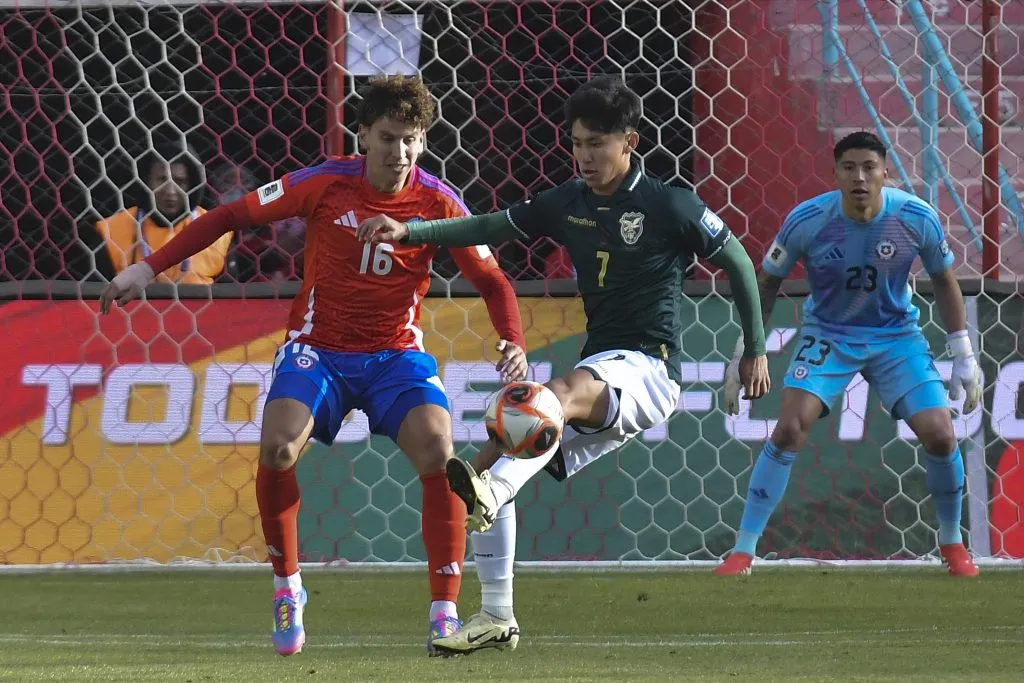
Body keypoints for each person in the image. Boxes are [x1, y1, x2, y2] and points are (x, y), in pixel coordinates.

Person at [98, 75, 529, 656]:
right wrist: (147, 269)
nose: (398, 153)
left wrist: (513, 341)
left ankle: (444, 612)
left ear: (423, 142)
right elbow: (229, 217)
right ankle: (288, 587)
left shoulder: (437, 201)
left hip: (395, 354)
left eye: (410, 140)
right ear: (363, 136)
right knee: (277, 447)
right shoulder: (324, 183)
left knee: (439, 451)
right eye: (387, 138)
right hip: (317, 348)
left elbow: (493, 280)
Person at [356, 76, 772, 654]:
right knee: (502, 444)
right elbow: (490, 226)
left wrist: (753, 347)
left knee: (547, 395)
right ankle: (496, 613)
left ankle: (492, 492)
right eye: (576, 143)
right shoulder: (567, 202)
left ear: (630, 141)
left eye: (597, 143)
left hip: (651, 370)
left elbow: (740, 264)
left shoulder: (668, 203)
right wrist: (415, 231)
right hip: (603, 363)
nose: (584, 156)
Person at [714, 131, 982, 577]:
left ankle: (953, 545)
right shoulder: (809, 220)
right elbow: (767, 282)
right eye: (849, 167)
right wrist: (746, 348)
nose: (859, 177)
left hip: (895, 336)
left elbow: (945, 280)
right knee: (788, 430)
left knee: (940, 433)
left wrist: (963, 353)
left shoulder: (916, 218)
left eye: (869, 168)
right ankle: (743, 550)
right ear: (835, 173)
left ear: (885, 172)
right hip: (830, 335)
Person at [94, 144, 233, 284]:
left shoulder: (217, 232)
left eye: (180, 181)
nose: (170, 191)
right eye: (161, 180)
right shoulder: (112, 231)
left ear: (192, 185)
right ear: (147, 182)